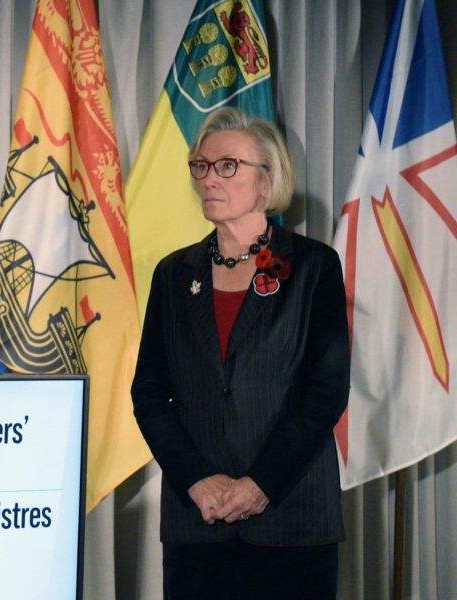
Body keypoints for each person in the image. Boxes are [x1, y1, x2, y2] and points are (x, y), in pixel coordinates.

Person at [131, 107, 349, 598]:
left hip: (289, 517)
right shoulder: (172, 274)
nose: (210, 178)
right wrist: (196, 479)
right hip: (199, 523)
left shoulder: (313, 266)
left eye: (228, 165)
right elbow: (148, 393)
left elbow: (325, 392)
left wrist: (260, 483)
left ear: (267, 181)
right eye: (201, 166)